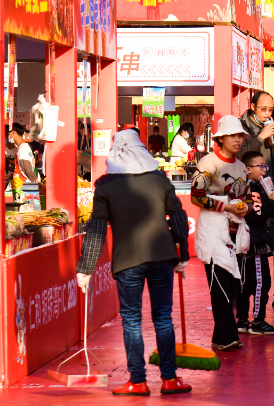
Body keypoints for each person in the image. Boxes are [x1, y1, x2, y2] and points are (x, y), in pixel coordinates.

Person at [75, 130, 192, 396]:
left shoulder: (105, 185)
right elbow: (178, 217)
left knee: (131, 320)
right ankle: (170, 378)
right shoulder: (159, 179)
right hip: (162, 256)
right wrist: (183, 254)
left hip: (127, 261)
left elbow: (97, 227)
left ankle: (137, 381)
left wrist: (86, 268)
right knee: (163, 317)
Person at [191, 115, 250, 350]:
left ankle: (222, 336)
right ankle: (227, 336)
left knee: (230, 284)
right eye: (232, 135)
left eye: (240, 136)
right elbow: (196, 196)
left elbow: (245, 196)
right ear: (221, 138)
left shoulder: (242, 166)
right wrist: (227, 207)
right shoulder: (208, 163)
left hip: (235, 231)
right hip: (213, 231)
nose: (238, 140)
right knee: (220, 283)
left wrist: (243, 207)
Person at [234, 151, 274, 337]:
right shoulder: (252, 188)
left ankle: (242, 321)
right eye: (260, 166)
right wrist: (272, 202)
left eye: (265, 166)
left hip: (249, 243)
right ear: (248, 169)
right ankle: (258, 321)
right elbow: (257, 215)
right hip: (256, 244)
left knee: (246, 284)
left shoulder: (251, 186)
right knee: (261, 283)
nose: (264, 169)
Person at [239, 91, 274, 190]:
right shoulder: (242, 126)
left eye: (271, 109)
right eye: (263, 109)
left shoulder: (273, 124)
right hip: (252, 187)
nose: (267, 113)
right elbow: (240, 156)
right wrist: (261, 137)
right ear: (253, 106)